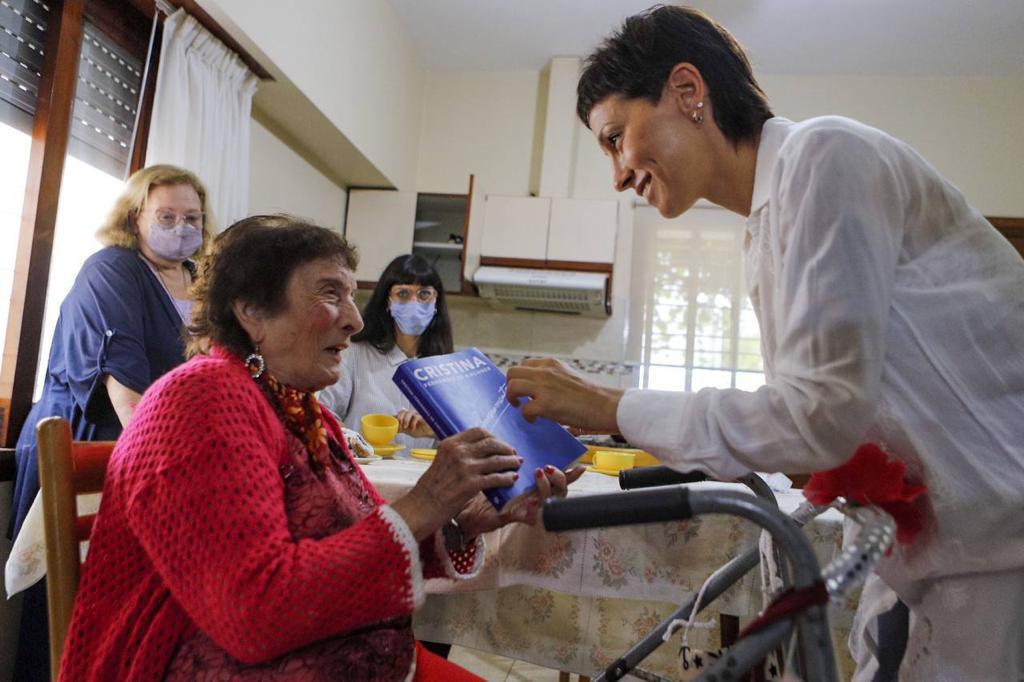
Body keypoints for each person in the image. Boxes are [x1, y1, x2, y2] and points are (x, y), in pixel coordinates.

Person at [504, 6, 1024, 681]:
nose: (616, 175)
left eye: (614, 139)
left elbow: (819, 416)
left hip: (998, 559)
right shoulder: (766, 233)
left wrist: (609, 405)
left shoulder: (826, 157)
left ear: (688, 92)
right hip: (934, 559)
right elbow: (842, 415)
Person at [58, 215, 582, 680]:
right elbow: (253, 615)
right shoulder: (202, 400)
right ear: (251, 312)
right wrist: (424, 499)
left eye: (351, 296)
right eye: (330, 294)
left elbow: (353, 547)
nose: (354, 319)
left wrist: (458, 518)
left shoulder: (301, 409)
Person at [8, 164, 213, 681]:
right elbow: (125, 391)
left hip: (160, 449)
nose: (181, 226)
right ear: (135, 216)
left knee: (141, 612)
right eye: (166, 215)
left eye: (192, 217)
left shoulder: (197, 280)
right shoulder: (113, 269)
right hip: (92, 442)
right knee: (75, 609)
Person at [320, 254, 452, 452]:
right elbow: (322, 415)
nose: (414, 304)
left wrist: (434, 429)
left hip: (423, 476)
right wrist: (356, 443)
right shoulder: (355, 353)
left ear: (436, 304)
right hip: (363, 474)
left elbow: (462, 440)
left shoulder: (447, 368)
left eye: (424, 294)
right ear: (388, 301)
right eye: (403, 294)